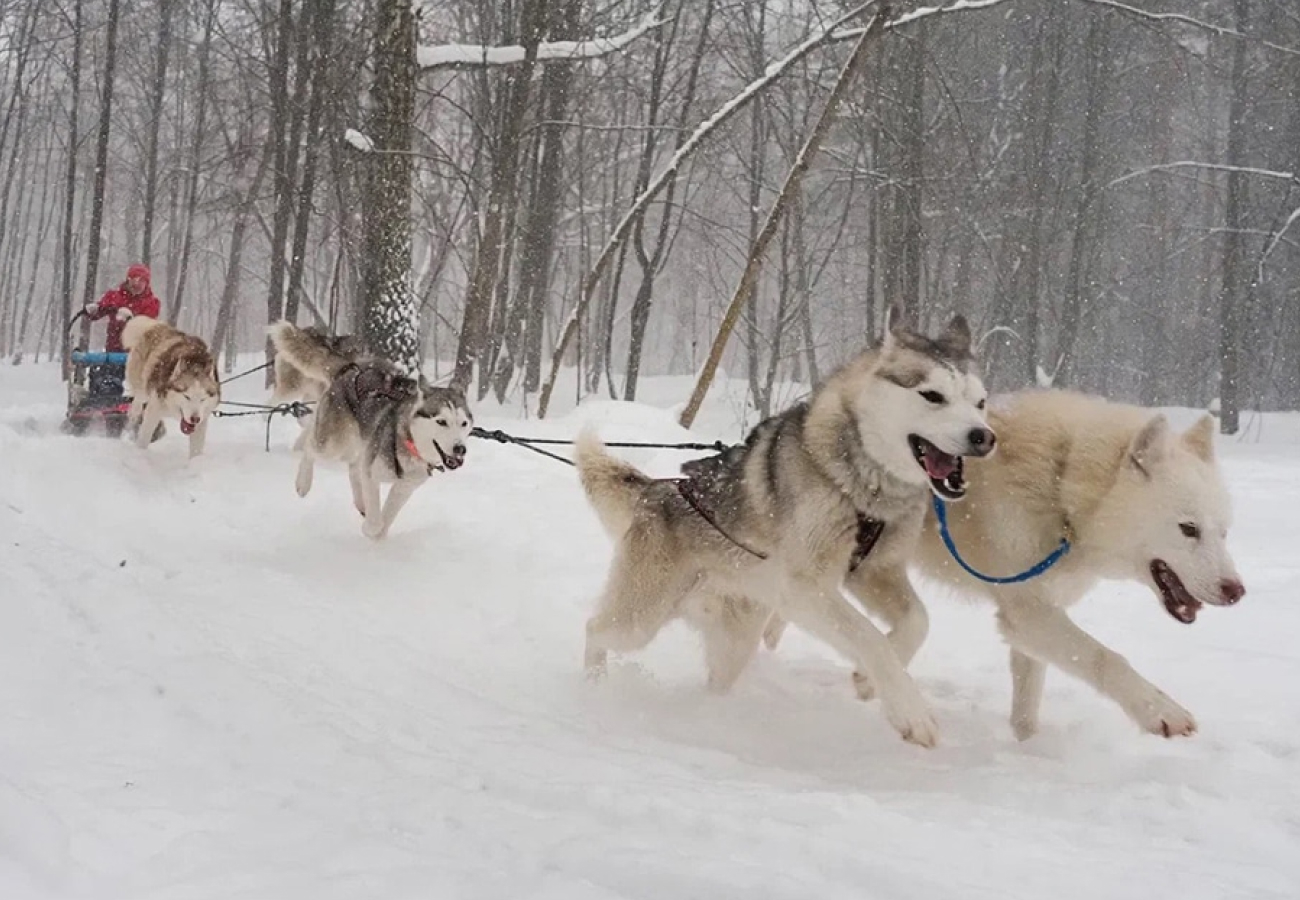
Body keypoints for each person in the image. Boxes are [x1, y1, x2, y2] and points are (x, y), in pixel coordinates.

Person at [84, 263, 161, 353]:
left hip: (137, 354)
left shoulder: (151, 303)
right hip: (113, 351)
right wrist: (93, 310)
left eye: (141, 281)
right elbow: (99, 312)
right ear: (128, 280)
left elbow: (145, 325)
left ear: (146, 284)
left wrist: (130, 319)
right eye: (134, 279)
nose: (136, 284)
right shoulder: (113, 297)